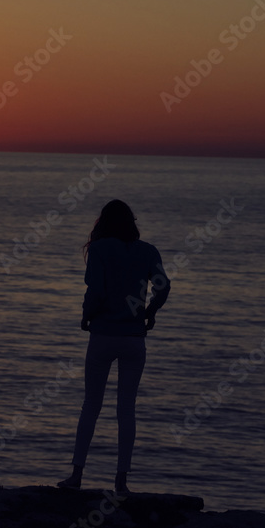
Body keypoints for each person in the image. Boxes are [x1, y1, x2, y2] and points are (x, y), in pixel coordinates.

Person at [57, 199, 170, 494]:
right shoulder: (147, 251)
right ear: (132, 223)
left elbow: (96, 290)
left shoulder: (99, 249)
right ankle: (121, 481)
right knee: (126, 409)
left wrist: (86, 316)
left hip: (103, 336)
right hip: (133, 339)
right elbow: (163, 286)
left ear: (103, 222)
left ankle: (76, 475)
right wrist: (150, 313)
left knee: (91, 405)